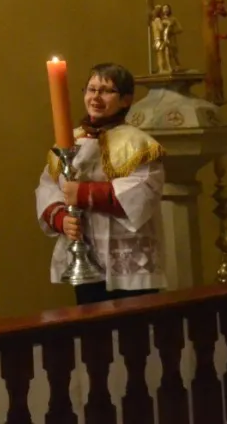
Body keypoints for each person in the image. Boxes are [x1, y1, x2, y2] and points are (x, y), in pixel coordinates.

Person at [35, 62, 165, 304]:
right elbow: (48, 186)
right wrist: (61, 219)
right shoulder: (69, 140)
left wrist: (84, 193)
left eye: (106, 91)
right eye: (91, 89)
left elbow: (144, 191)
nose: (95, 97)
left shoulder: (139, 144)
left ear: (126, 100)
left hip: (129, 262)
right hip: (84, 256)